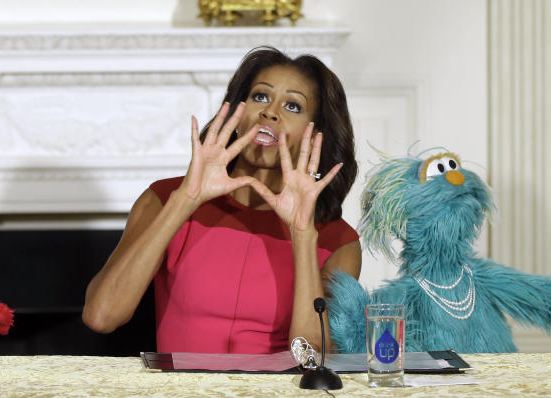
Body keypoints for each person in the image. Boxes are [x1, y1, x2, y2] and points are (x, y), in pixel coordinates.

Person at [83, 46, 361, 354]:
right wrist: (185, 200)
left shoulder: (338, 242)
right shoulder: (163, 199)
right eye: (260, 96)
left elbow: (314, 358)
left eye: (293, 106)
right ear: (237, 113)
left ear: (317, 132)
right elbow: (101, 316)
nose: (270, 111)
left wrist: (302, 235)